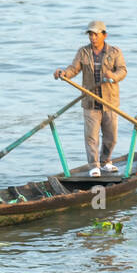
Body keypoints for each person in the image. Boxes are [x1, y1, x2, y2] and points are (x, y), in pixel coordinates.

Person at [53, 20, 127, 178]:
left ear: (104, 35)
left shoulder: (115, 52)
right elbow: (74, 69)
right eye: (90, 35)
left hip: (110, 102)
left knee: (111, 136)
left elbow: (122, 70)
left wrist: (113, 76)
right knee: (91, 136)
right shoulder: (83, 52)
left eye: (95, 34)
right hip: (90, 101)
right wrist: (64, 73)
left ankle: (106, 161)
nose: (92, 38)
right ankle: (94, 165)